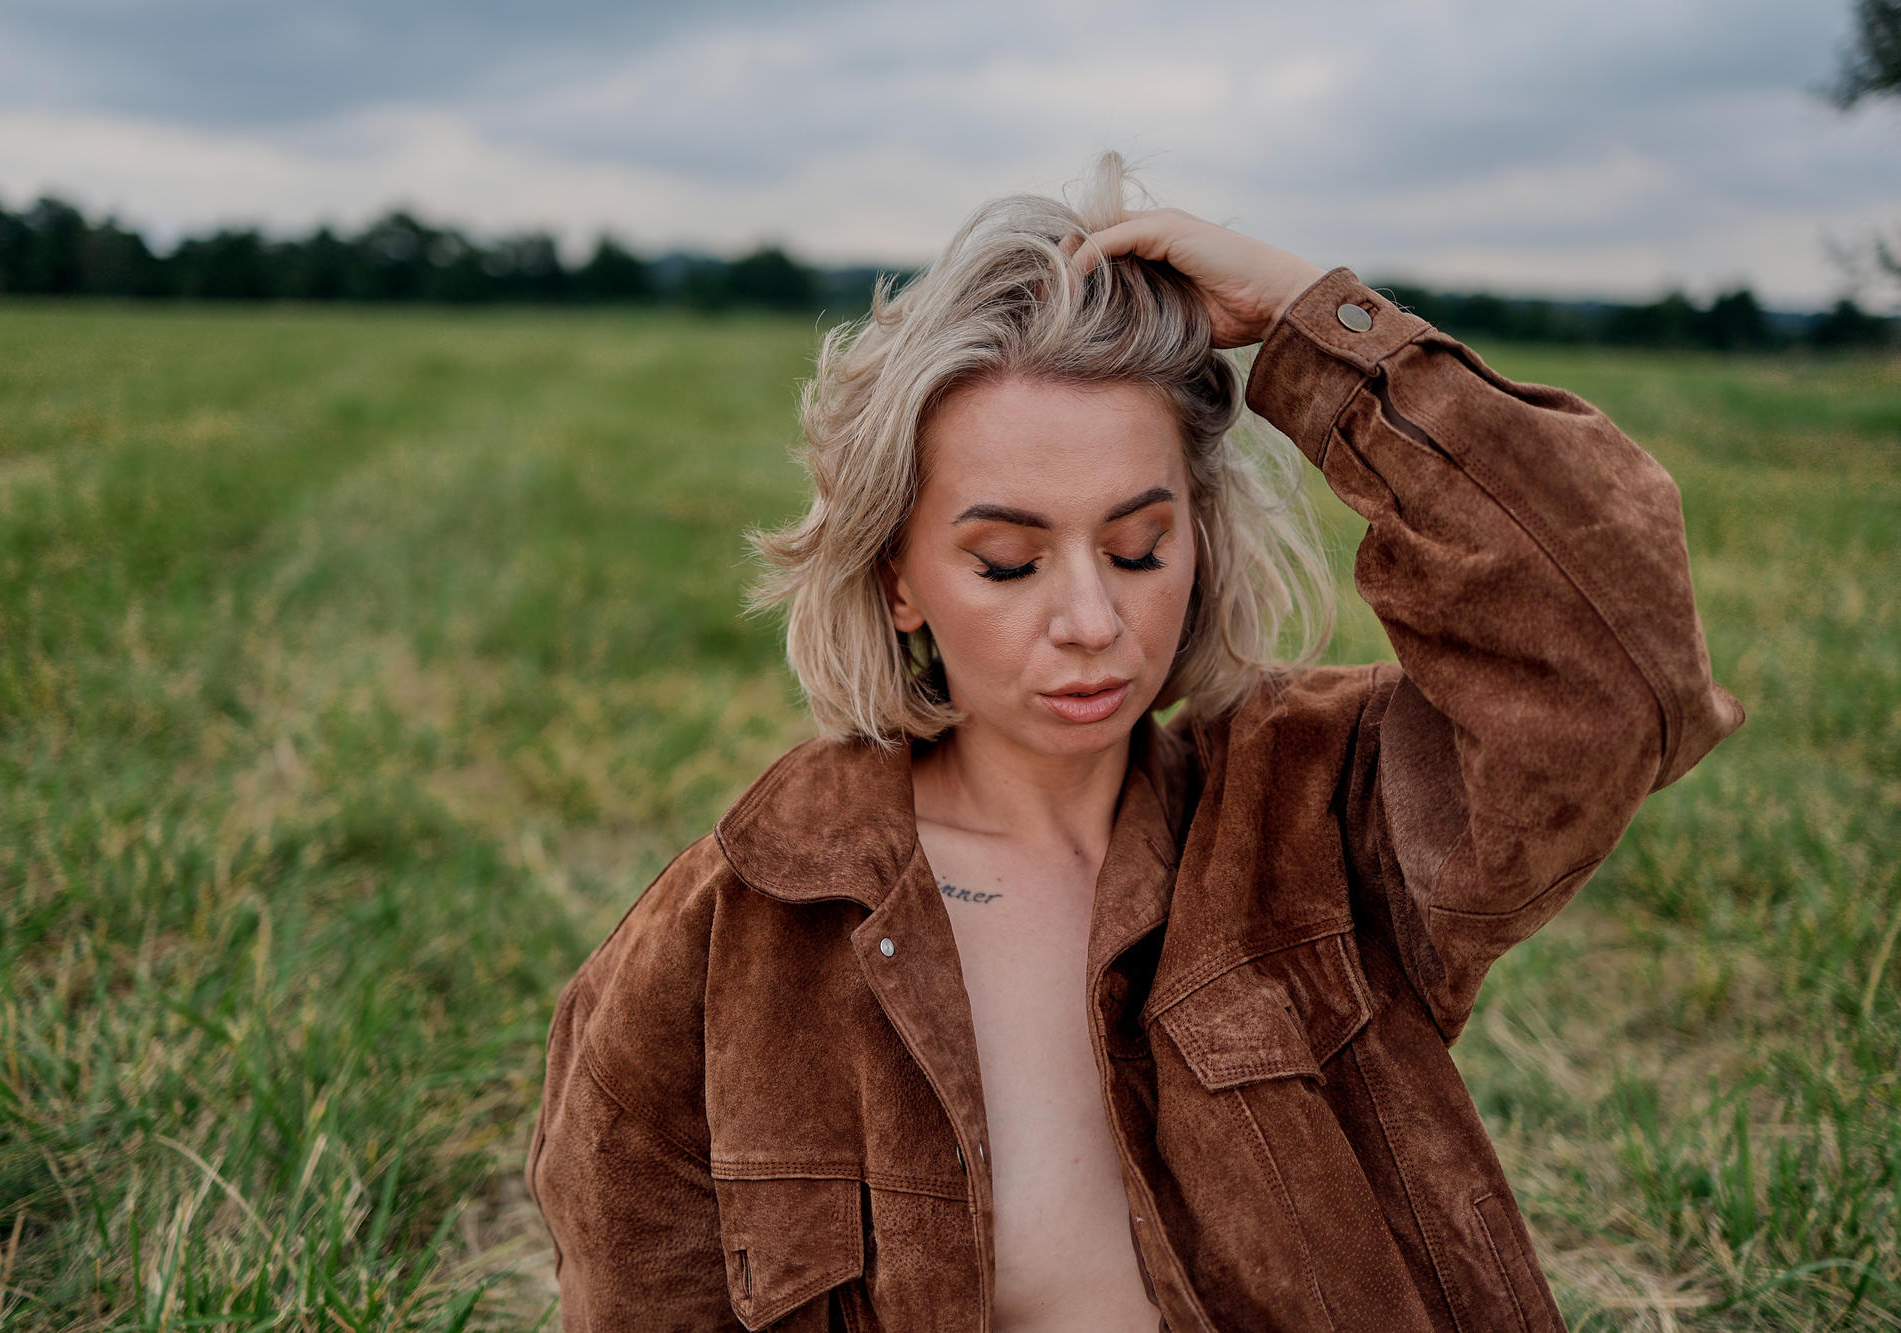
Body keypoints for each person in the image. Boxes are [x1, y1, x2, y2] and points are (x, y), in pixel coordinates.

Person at [524, 152, 1746, 1332]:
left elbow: (1614, 681)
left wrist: (1316, 325)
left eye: (1136, 547)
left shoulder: (1320, 816)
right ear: (897, 578)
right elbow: (640, 1293)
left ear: (1197, 537)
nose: (1092, 622)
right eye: (1007, 561)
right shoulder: (734, 933)